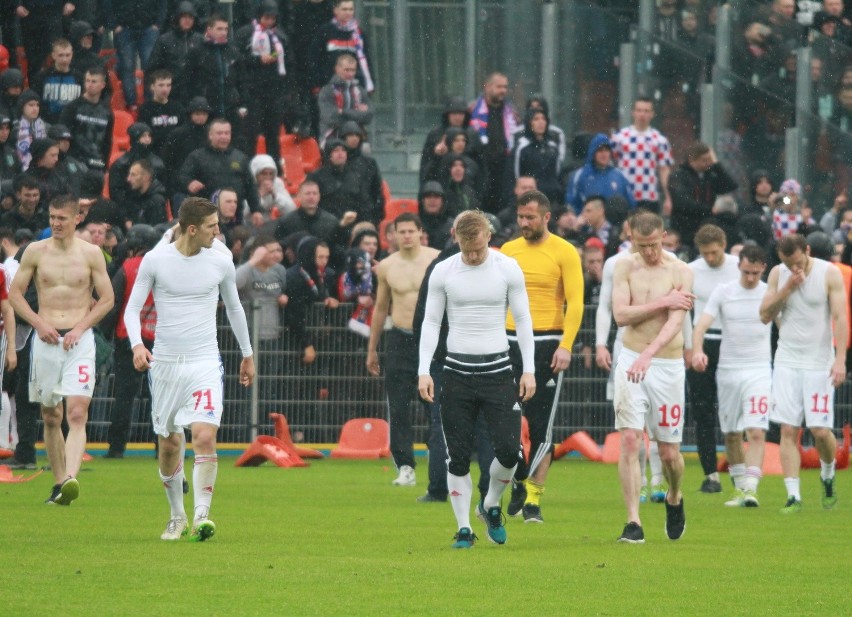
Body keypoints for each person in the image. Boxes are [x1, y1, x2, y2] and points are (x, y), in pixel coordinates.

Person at [124, 197, 255, 541]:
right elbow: (132, 308)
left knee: (204, 436)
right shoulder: (155, 260)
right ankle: (176, 515)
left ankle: (201, 516)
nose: (219, 231)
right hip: (165, 364)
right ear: (193, 229)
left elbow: (235, 308)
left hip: (204, 362)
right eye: (213, 226)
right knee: (169, 443)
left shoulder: (221, 259)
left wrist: (247, 352)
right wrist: (138, 344)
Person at [418, 209, 535, 548]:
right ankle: (464, 527)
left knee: (510, 452)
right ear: (457, 238)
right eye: (466, 250)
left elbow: (524, 320)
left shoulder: (507, 268)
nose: (472, 256)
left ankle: (491, 503)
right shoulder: (443, 271)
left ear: (488, 237)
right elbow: (430, 322)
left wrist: (529, 369)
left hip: (498, 372)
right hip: (456, 373)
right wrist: (424, 370)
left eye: (478, 250)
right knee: (456, 455)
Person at [8, 195, 114, 505]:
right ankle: (59, 483)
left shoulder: (92, 254)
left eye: (62, 218)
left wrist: (81, 327)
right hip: (47, 340)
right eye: (52, 217)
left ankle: (70, 478)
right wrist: (39, 324)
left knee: (77, 412)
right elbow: (15, 295)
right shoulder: (36, 252)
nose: (55, 223)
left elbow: (107, 299)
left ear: (76, 219)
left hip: (79, 341)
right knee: (51, 416)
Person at [500, 189, 584, 522]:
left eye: (530, 217)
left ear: (546, 217)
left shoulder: (564, 251)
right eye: (520, 217)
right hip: (509, 341)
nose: (524, 223)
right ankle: (520, 478)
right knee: (505, 418)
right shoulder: (508, 251)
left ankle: (533, 498)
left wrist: (566, 345)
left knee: (541, 426)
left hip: (548, 341)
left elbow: (575, 302)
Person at [611, 210, 693, 543]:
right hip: (631, 359)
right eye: (643, 245)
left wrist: (650, 353)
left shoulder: (680, 271)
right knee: (630, 440)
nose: (650, 252)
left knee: (670, 452)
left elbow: (675, 321)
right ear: (632, 240)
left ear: (664, 237)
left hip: (666, 365)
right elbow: (621, 315)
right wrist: (663, 301)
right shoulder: (624, 267)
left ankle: (674, 495)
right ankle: (634, 522)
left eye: (655, 244)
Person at [759, 233, 847, 513]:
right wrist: (787, 288)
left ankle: (828, 472)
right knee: (788, 428)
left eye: (798, 262)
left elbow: (840, 317)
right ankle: (793, 496)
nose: (794, 268)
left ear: (807, 251)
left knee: (820, 431)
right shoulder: (778, 274)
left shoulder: (828, 273)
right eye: (788, 263)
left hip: (819, 361)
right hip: (787, 359)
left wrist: (841, 359)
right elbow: (764, 315)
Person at [692, 245, 770, 507]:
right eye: (746, 272)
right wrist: (698, 351)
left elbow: (785, 324)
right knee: (732, 433)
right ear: (739, 267)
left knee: (756, 430)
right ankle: (739, 489)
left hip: (759, 369)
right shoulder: (724, 292)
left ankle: (751, 488)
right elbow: (700, 325)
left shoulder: (769, 292)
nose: (750, 278)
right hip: (728, 370)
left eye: (755, 273)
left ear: (763, 269)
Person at [366, 213, 439, 487]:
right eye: (401, 231)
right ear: (393, 235)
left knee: (435, 403)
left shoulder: (437, 259)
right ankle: (405, 466)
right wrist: (372, 349)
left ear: (421, 232)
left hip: (430, 338)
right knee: (398, 406)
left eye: (411, 231)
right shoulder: (387, 266)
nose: (407, 236)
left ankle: (438, 457)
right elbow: (381, 307)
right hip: (399, 338)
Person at [687, 224, 739, 493]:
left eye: (714, 252)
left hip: (732, 342)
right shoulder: (692, 271)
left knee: (733, 412)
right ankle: (710, 474)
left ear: (724, 244)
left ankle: (738, 473)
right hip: (702, 342)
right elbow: (685, 312)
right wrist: (689, 347)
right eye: (705, 253)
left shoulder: (739, 266)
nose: (710, 258)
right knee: (703, 411)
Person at [101, 224, 161, 458]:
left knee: (124, 397)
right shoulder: (164, 267)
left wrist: (104, 333)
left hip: (129, 339)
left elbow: (114, 303)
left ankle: (116, 448)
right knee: (160, 396)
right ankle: (163, 446)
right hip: (159, 338)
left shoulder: (128, 267)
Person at [610, 98, 674, 215]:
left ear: (652, 114)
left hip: (649, 196)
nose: (642, 114)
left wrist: (668, 197)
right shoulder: (619, 137)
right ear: (633, 112)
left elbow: (664, 170)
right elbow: (610, 163)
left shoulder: (659, 139)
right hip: (624, 194)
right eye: (639, 110)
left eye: (646, 111)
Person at [469, 72, 518, 213]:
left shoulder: (511, 112)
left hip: (504, 169)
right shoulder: (473, 111)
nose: (503, 90)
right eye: (499, 87)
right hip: (481, 167)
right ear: (487, 87)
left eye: (505, 87)